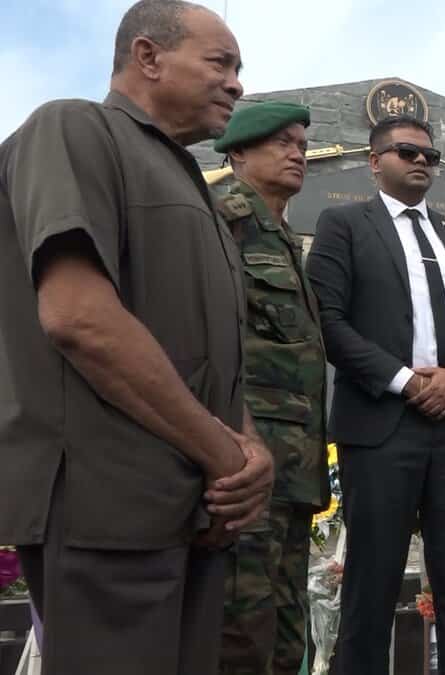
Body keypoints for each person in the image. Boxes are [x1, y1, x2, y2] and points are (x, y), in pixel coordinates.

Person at [0, 1, 274, 673]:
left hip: (189, 510)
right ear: (148, 56)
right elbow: (80, 318)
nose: (236, 83)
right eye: (220, 63)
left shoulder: (193, 185)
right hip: (105, 508)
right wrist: (224, 454)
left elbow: (205, 352)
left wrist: (250, 449)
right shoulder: (72, 127)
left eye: (239, 68)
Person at [305, 114, 445, 675]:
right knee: (371, 583)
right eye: (407, 152)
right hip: (380, 427)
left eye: (429, 156)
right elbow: (328, 322)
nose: (421, 162)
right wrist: (405, 380)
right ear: (374, 162)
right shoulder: (343, 224)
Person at [211, 102, 330, 675]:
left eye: (302, 145)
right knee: (242, 631)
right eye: (281, 142)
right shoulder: (224, 219)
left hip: (293, 470)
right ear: (238, 152)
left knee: (287, 632)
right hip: (246, 465)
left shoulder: (282, 235)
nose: (297, 154)